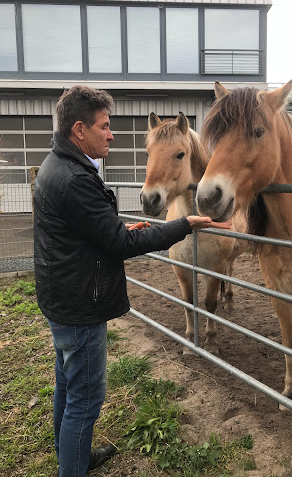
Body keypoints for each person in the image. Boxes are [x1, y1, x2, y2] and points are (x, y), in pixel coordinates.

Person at [33, 85, 231, 477]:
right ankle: (72, 468)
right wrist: (183, 224)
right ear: (79, 130)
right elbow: (121, 245)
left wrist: (111, 228)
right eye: (104, 127)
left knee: (67, 386)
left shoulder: (55, 166)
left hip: (61, 297)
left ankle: (71, 456)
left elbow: (85, 231)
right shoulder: (76, 178)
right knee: (86, 399)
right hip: (80, 306)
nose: (111, 134)